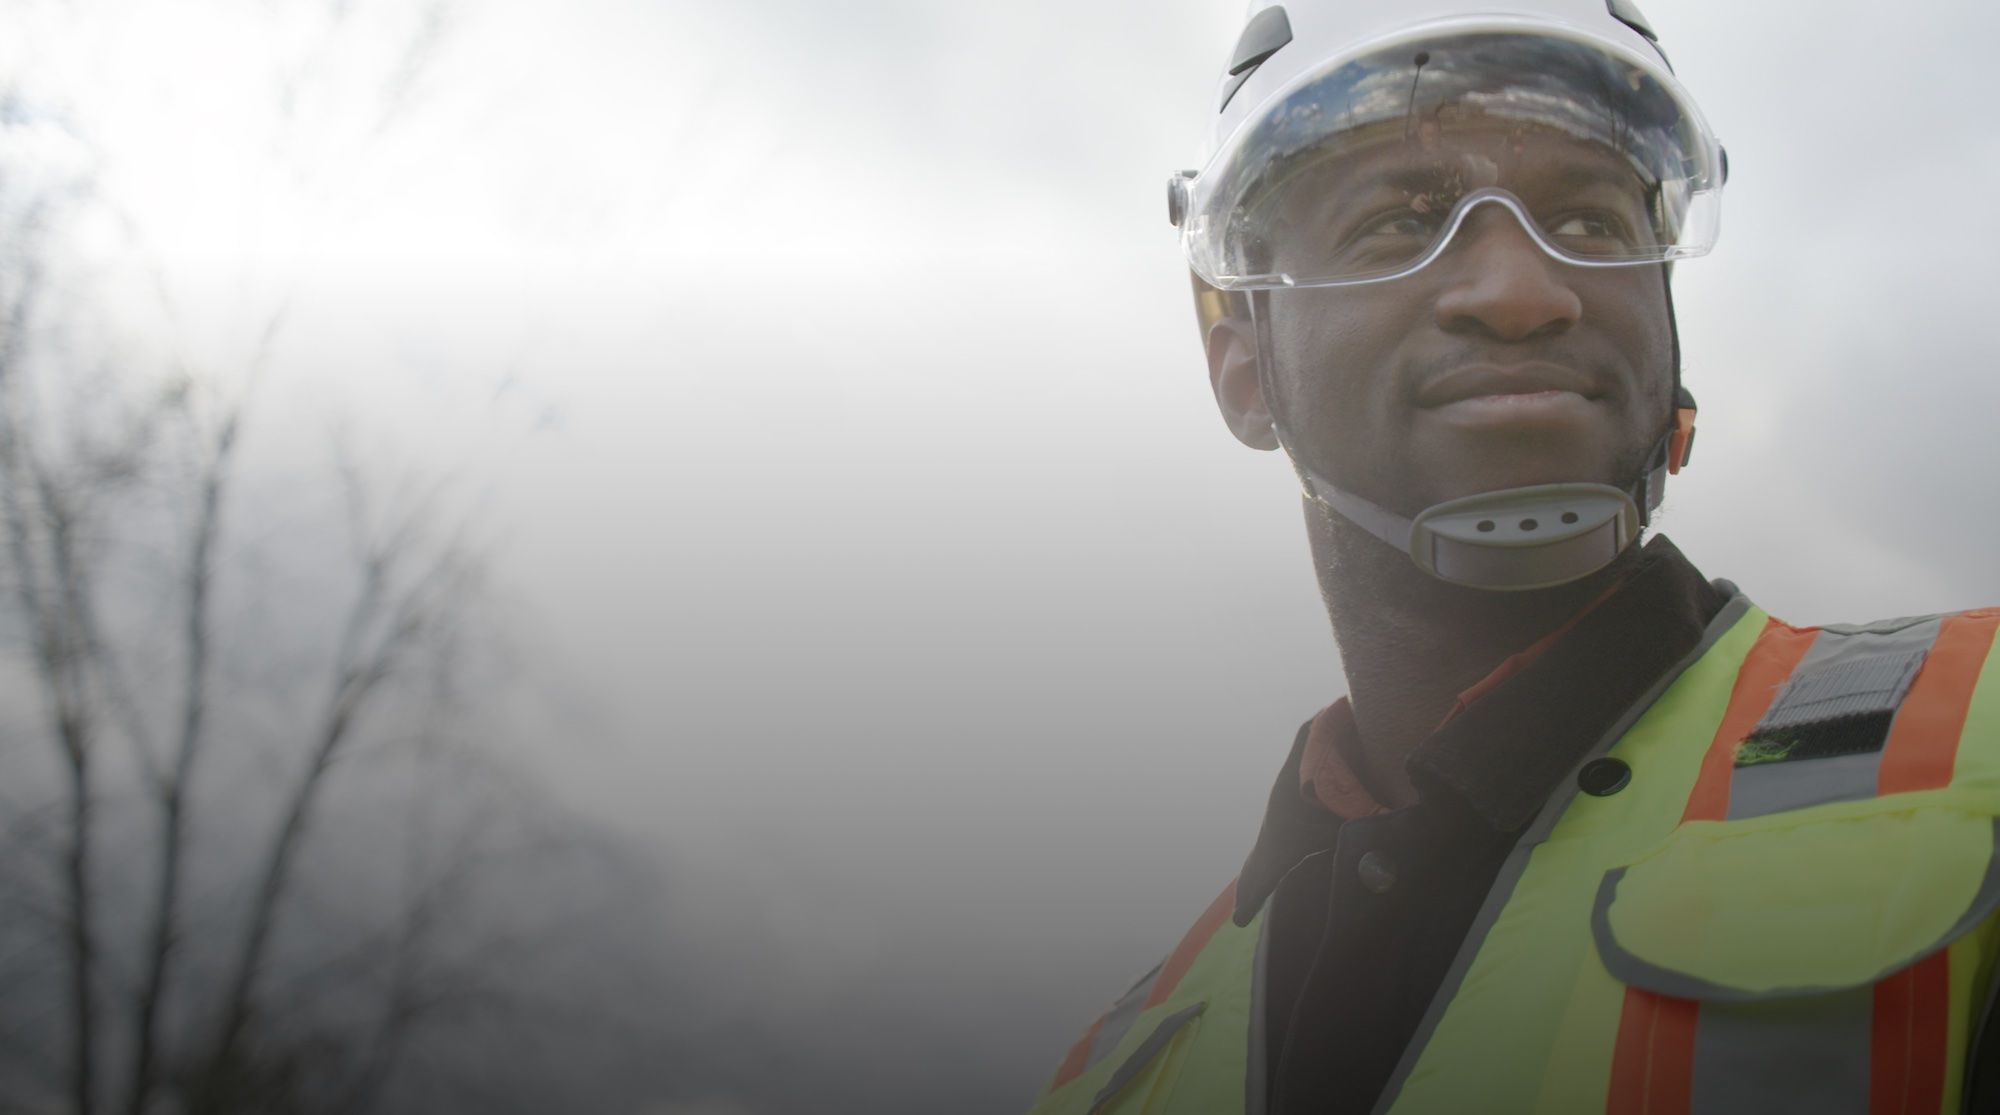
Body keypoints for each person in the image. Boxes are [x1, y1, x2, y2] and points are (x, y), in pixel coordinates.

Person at [1027, 1, 2000, 1112]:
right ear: (1244, 368)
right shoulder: (1115, 1068)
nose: (1521, 292)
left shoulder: (1980, 734)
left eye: (1586, 221)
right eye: (1399, 220)